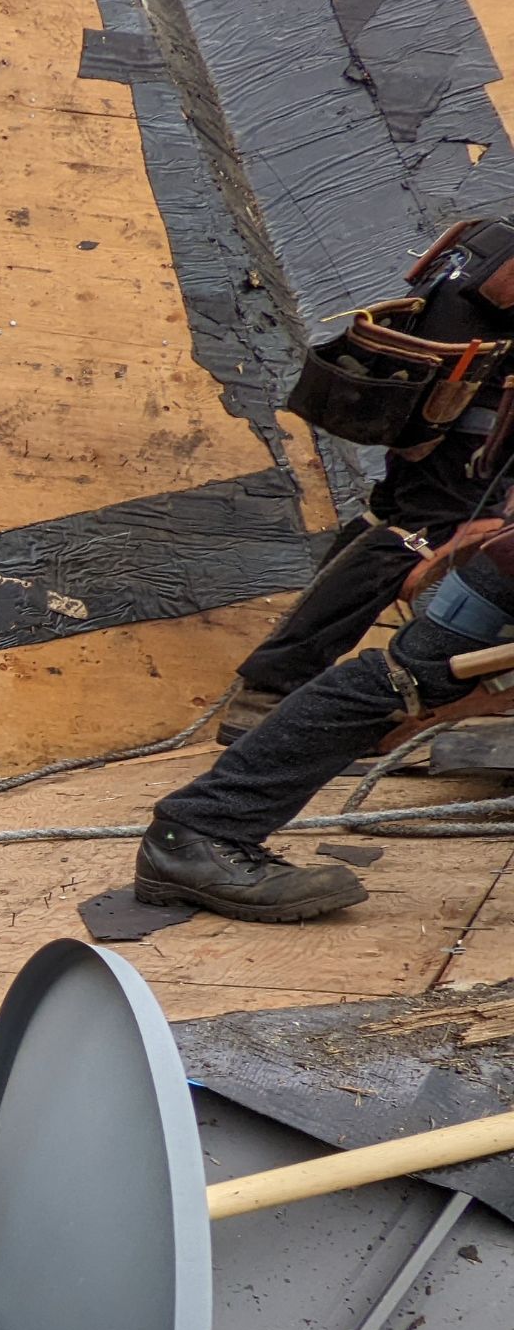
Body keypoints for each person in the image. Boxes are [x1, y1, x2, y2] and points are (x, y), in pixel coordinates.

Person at [137, 223, 514, 921]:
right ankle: (240, 756)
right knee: (418, 548)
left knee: (407, 531)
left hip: (473, 393)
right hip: (467, 393)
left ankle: (270, 700)